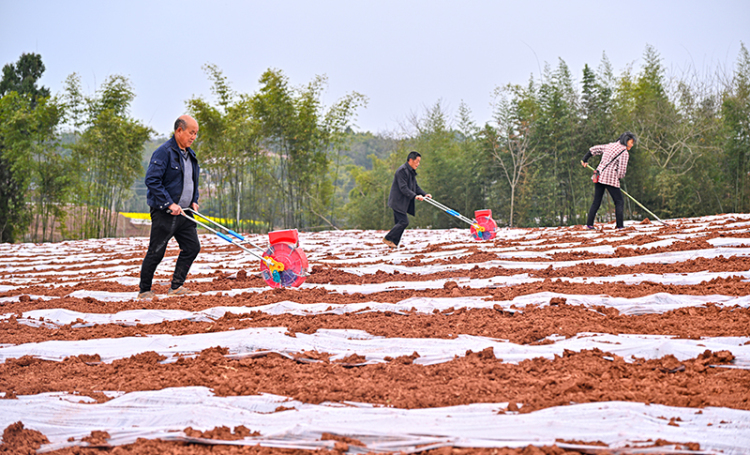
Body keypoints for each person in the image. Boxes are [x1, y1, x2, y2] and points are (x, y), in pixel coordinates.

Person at [138, 115, 202, 299]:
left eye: (196, 134)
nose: (193, 137)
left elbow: (192, 182)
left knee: (192, 247)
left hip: (185, 213)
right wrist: (169, 203)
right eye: (191, 132)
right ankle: (144, 291)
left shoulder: (190, 155)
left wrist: (194, 200)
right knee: (156, 251)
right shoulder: (164, 152)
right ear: (179, 130)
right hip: (165, 213)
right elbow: (152, 180)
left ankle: (176, 287)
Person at [581, 132, 637, 230]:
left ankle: (589, 225)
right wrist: (618, 179)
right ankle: (620, 226)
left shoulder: (611, 145)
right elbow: (622, 171)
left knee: (596, 202)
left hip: (598, 175)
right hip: (610, 178)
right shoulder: (624, 152)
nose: (632, 145)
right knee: (619, 201)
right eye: (631, 142)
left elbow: (594, 149)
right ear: (626, 141)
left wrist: (585, 159)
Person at [383, 151, 431, 248]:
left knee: (399, 223)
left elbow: (415, 187)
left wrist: (424, 194)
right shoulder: (402, 171)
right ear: (410, 160)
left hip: (402, 202)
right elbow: (403, 188)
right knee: (404, 222)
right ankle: (388, 238)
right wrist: (415, 196)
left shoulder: (410, 172)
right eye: (417, 161)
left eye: (419, 162)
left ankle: (392, 244)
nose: (418, 164)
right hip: (397, 201)